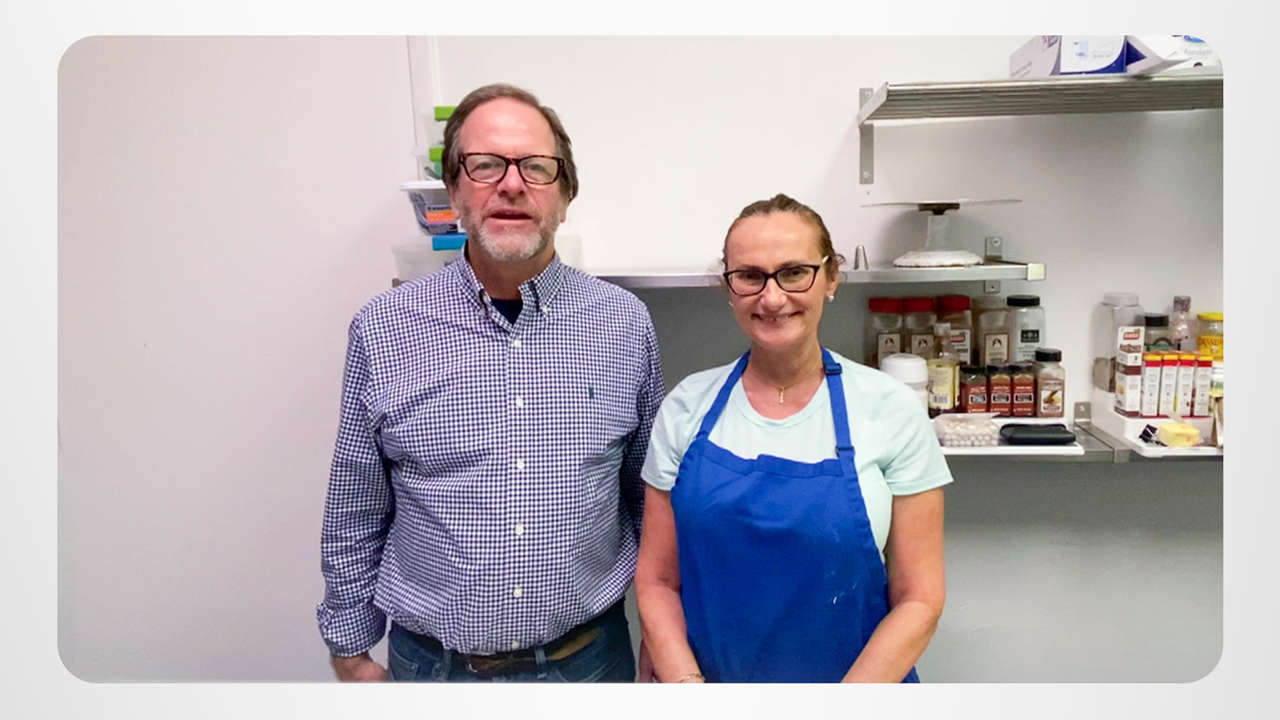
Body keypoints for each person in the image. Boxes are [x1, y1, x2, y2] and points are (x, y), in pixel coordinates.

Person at [317, 83, 664, 683]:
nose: (511, 184)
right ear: (453, 191)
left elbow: (649, 500)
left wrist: (662, 632)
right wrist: (350, 651)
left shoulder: (624, 324)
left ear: (565, 196)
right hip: (433, 670)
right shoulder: (384, 328)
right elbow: (356, 503)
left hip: (586, 665)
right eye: (484, 165)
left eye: (536, 167)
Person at [634, 194, 951, 683]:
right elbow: (657, 580)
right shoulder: (686, 407)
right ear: (729, 287)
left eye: (794, 272)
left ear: (831, 278)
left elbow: (920, 599)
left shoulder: (891, 409)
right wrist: (689, 692)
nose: (773, 297)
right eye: (750, 276)